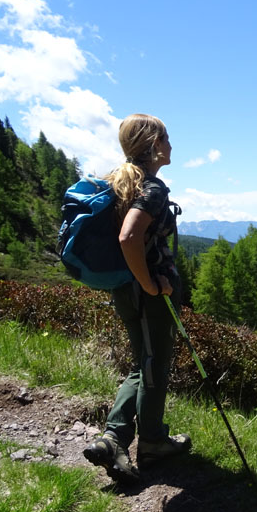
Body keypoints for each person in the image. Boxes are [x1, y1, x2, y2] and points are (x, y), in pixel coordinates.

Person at [83, 113, 191, 483]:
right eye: (166, 138)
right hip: (148, 293)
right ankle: (154, 442)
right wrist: (149, 284)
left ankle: (114, 438)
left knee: (142, 362)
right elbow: (129, 237)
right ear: (153, 146)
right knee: (155, 366)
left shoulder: (119, 184)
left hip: (123, 289)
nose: (171, 145)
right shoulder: (152, 188)